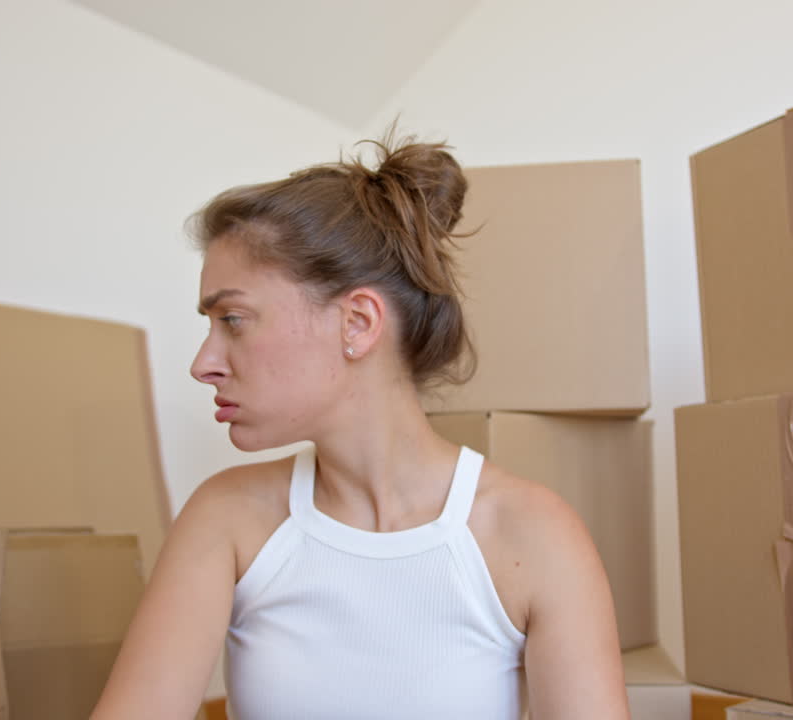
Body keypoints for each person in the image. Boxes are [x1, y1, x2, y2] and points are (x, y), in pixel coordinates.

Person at [91, 132, 630, 720]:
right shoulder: (225, 521)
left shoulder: (536, 536)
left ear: (357, 322)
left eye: (234, 319)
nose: (204, 363)